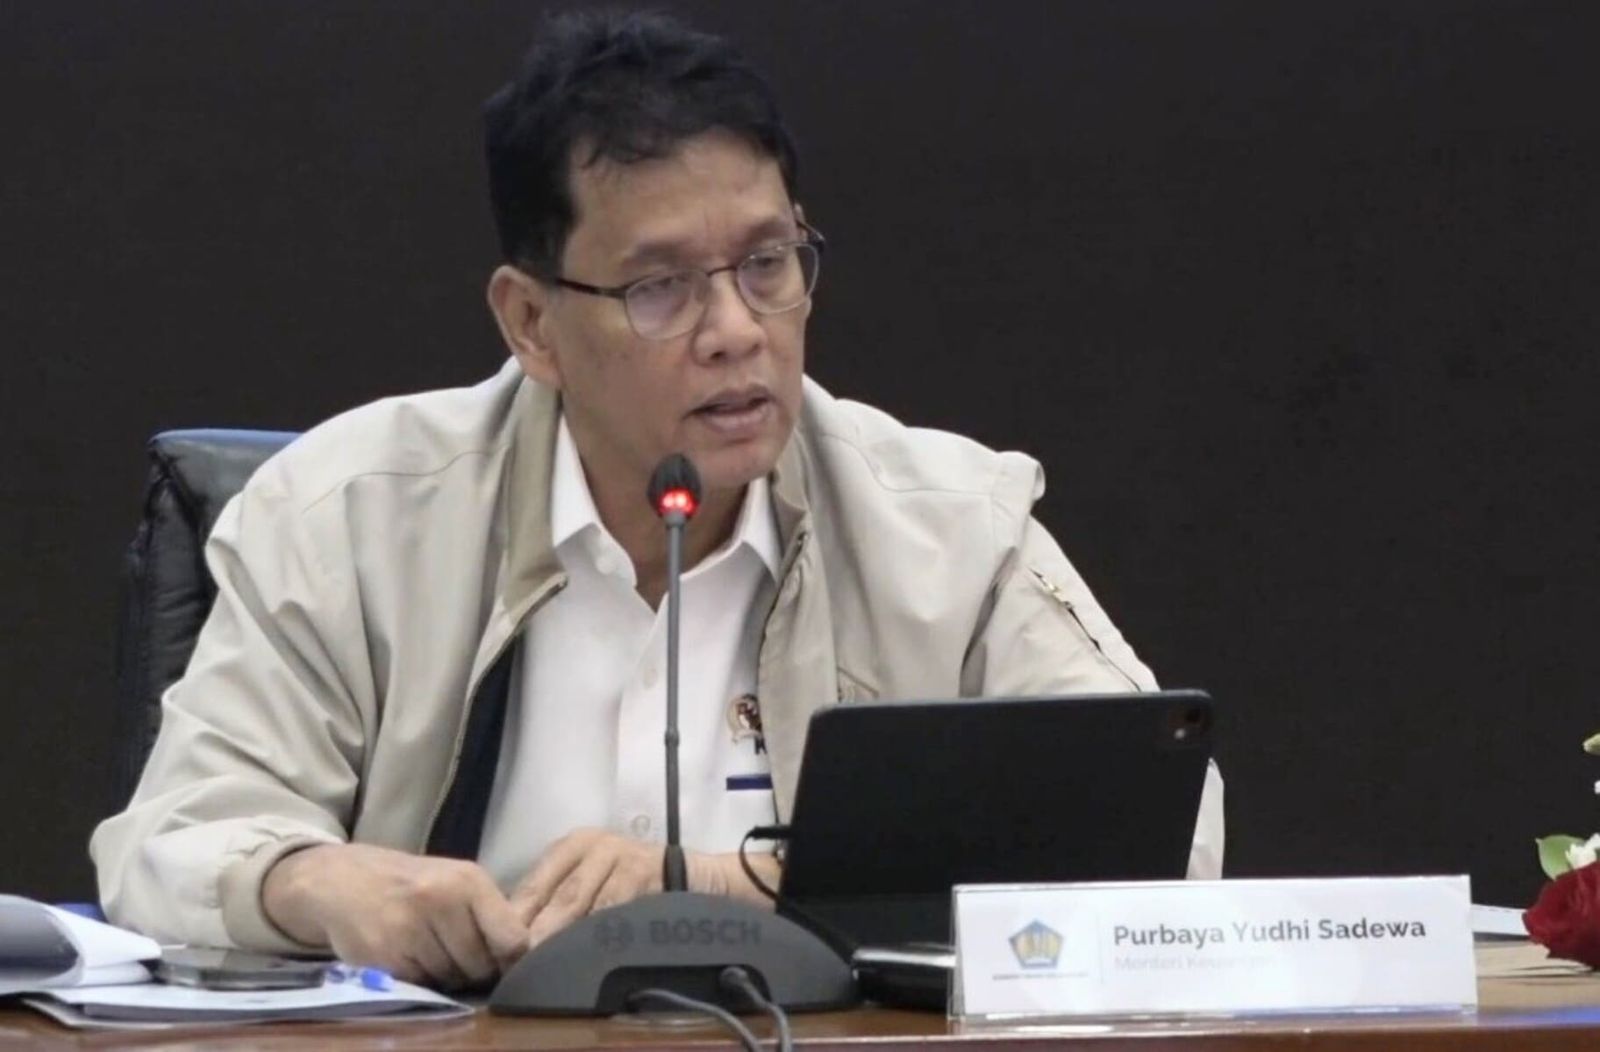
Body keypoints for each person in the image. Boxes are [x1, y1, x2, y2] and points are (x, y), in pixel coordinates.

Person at [92, 9, 1223, 989]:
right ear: (532, 323)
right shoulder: (346, 517)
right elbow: (168, 843)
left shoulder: (946, 524)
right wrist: (321, 883)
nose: (735, 329)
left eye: (768, 263)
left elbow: (1168, 830)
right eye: (661, 286)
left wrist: (719, 887)